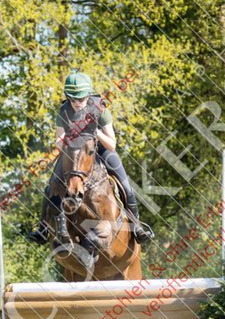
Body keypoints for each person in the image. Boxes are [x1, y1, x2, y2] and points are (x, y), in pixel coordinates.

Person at [27, 72, 154, 245]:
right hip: (73, 150)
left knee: (126, 187)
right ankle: (42, 228)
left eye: (80, 99)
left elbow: (112, 144)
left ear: (88, 95)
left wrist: (96, 133)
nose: (76, 103)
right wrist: (67, 138)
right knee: (51, 186)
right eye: (73, 99)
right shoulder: (64, 111)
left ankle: (137, 226)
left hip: (100, 149)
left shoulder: (100, 110)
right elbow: (58, 142)